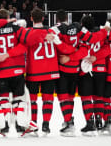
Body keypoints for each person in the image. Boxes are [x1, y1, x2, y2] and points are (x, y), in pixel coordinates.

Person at [24, 8, 76, 136]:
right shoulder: (52, 32)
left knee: (33, 100)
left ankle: (34, 125)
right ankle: (46, 125)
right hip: (51, 70)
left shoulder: (27, 32)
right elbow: (65, 48)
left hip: (34, 71)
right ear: (43, 19)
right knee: (48, 100)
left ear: (31, 18)